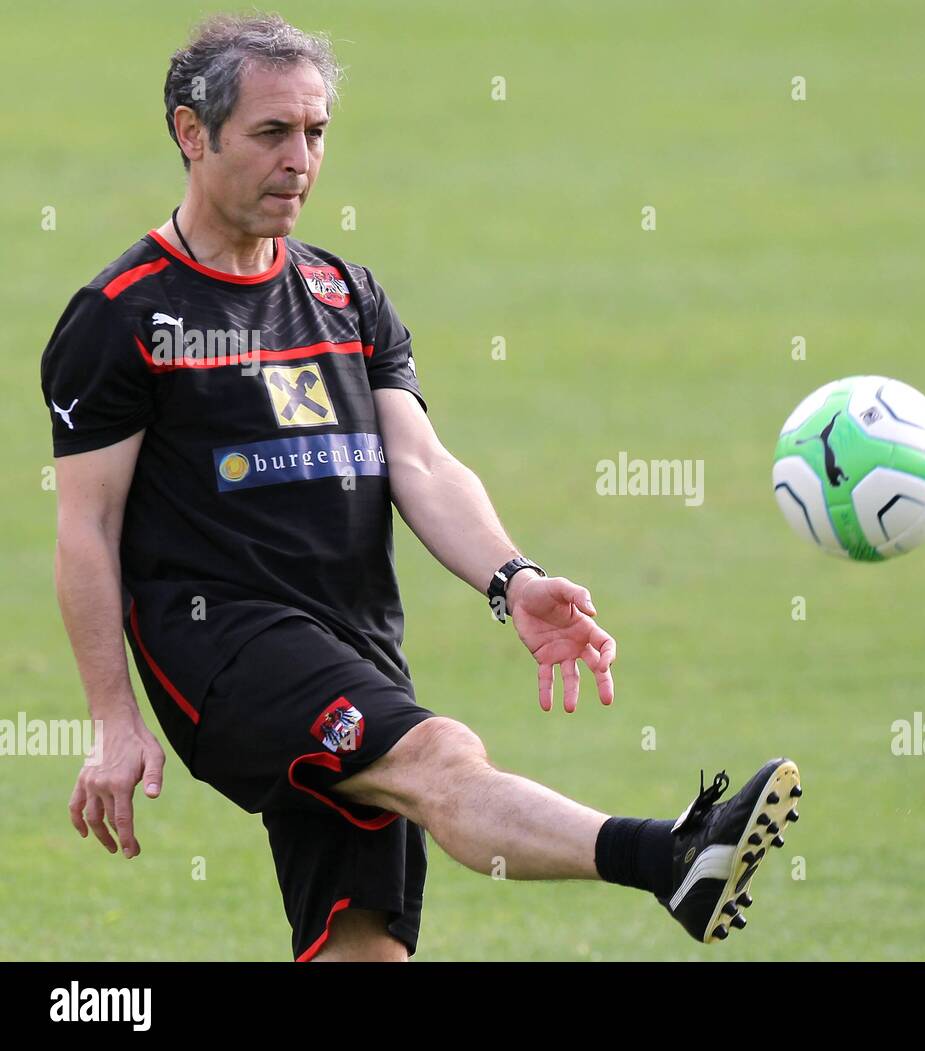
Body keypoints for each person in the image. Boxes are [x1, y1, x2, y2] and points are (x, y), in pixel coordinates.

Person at [40, 13, 800, 961]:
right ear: (193, 134)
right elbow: (86, 528)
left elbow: (424, 466)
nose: (301, 160)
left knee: (363, 948)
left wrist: (513, 579)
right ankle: (671, 855)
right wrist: (113, 721)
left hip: (356, 641)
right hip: (224, 645)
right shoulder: (124, 316)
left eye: (316, 133)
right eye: (272, 134)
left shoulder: (344, 294)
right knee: (440, 759)